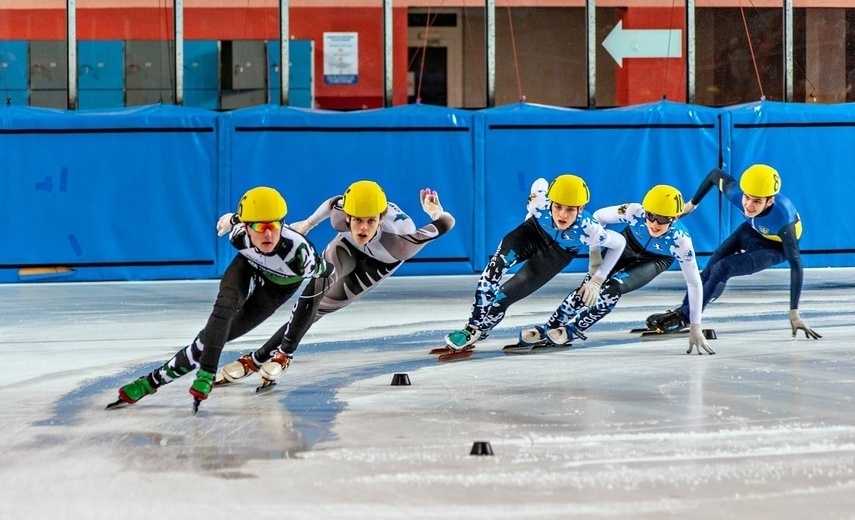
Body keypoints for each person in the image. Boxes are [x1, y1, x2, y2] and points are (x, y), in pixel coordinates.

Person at [216, 180, 454, 386]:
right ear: (347, 216)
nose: (363, 228)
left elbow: (446, 222)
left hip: (380, 262)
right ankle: (272, 357)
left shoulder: (402, 242)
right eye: (357, 220)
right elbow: (333, 202)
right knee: (313, 291)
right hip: (347, 247)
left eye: (371, 221)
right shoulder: (340, 214)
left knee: (320, 309)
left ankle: (263, 357)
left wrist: (434, 211)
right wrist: (308, 224)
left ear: (381, 219)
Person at [109, 186, 329, 408]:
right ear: (246, 227)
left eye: (273, 225)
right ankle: (205, 374)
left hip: (279, 288)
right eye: (259, 226)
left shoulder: (301, 258)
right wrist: (231, 220)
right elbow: (234, 220)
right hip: (249, 266)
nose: (268, 234)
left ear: (282, 224)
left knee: (216, 336)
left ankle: (151, 381)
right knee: (224, 306)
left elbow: (326, 273)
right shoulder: (239, 237)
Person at [522, 184, 714, 355]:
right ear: (645, 211)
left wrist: (695, 325)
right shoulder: (633, 211)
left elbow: (694, 282)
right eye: (651, 216)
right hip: (628, 246)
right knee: (589, 287)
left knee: (612, 288)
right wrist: (594, 254)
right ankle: (551, 326)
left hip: (655, 260)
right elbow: (597, 217)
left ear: (674, 218)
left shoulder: (680, 241)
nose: (654, 224)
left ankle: (574, 329)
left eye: (663, 219)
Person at [443, 174, 627, 352]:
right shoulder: (539, 203)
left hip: (558, 253)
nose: (562, 214)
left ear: (581, 208)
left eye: (570, 209)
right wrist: (529, 219)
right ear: (550, 202)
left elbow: (619, 243)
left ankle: (481, 332)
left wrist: (597, 279)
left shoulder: (589, 228)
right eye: (558, 207)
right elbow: (539, 182)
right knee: (494, 268)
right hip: (531, 233)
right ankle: (472, 328)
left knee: (503, 298)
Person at [646, 164, 821, 340]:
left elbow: (796, 264)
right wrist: (691, 205)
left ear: (770, 201)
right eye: (748, 198)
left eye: (757, 201)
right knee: (711, 267)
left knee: (723, 268)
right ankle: (683, 313)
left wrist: (794, 312)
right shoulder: (736, 194)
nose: (749, 206)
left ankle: (685, 316)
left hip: (775, 248)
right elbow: (715, 175)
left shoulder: (784, 219)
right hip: (752, 232)